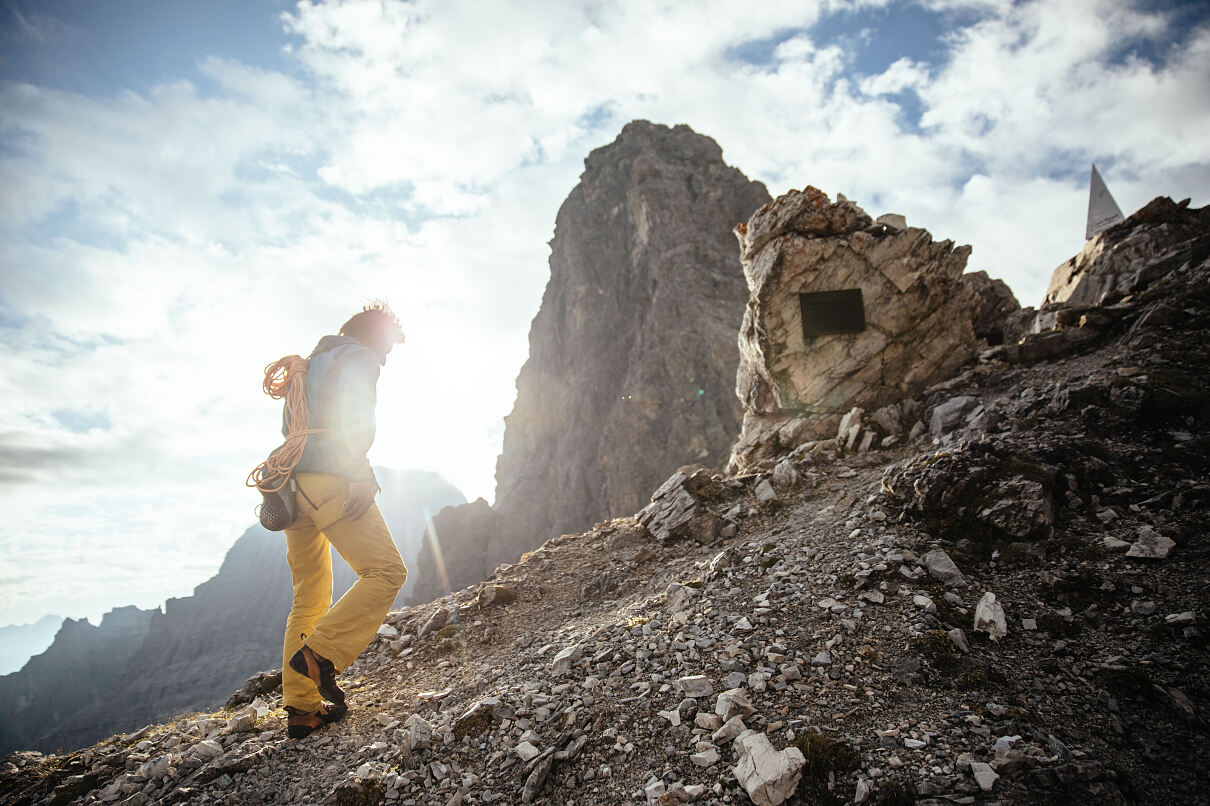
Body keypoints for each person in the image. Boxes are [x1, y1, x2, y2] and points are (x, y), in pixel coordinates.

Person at [279, 302, 408, 739]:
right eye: (388, 345)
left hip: (292, 486)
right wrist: (357, 470)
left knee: (308, 596)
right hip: (333, 478)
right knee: (386, 571)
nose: (387, 357)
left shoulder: (307, 365)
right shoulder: (360, 357)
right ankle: (320, 654)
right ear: (372, 334)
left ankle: (302, 710)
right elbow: (356, 416)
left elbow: (291, 428)